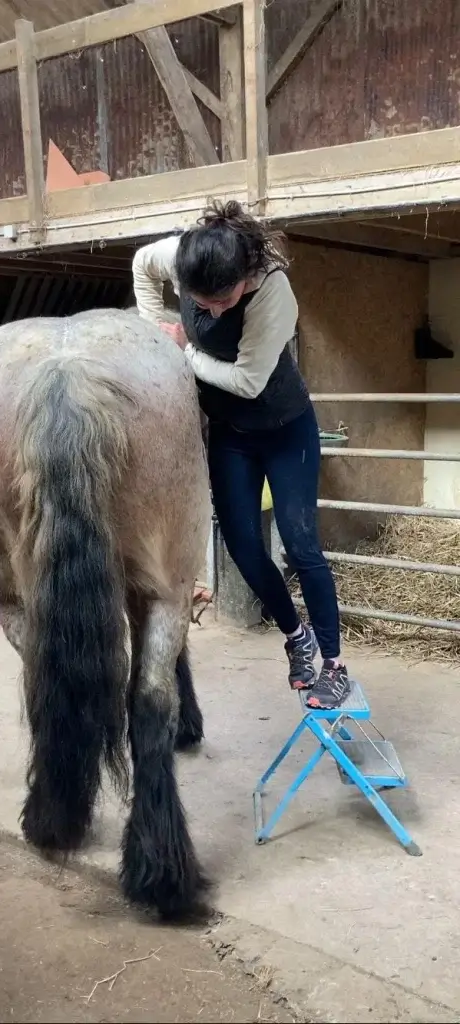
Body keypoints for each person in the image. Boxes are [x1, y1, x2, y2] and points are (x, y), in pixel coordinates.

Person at [132, 200, 350, 710]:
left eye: (223, 301)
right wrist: (152, 325)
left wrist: (181, 350)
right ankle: (298, 637)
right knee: (244, 548)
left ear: (244, 277)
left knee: (300, 545)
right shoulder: (182, 255)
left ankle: (334, 665)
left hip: (282, 427)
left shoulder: (273, 293)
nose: (211, 311)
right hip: (231, 433)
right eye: (199, 302)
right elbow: (143, 264)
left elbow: (250, 382)